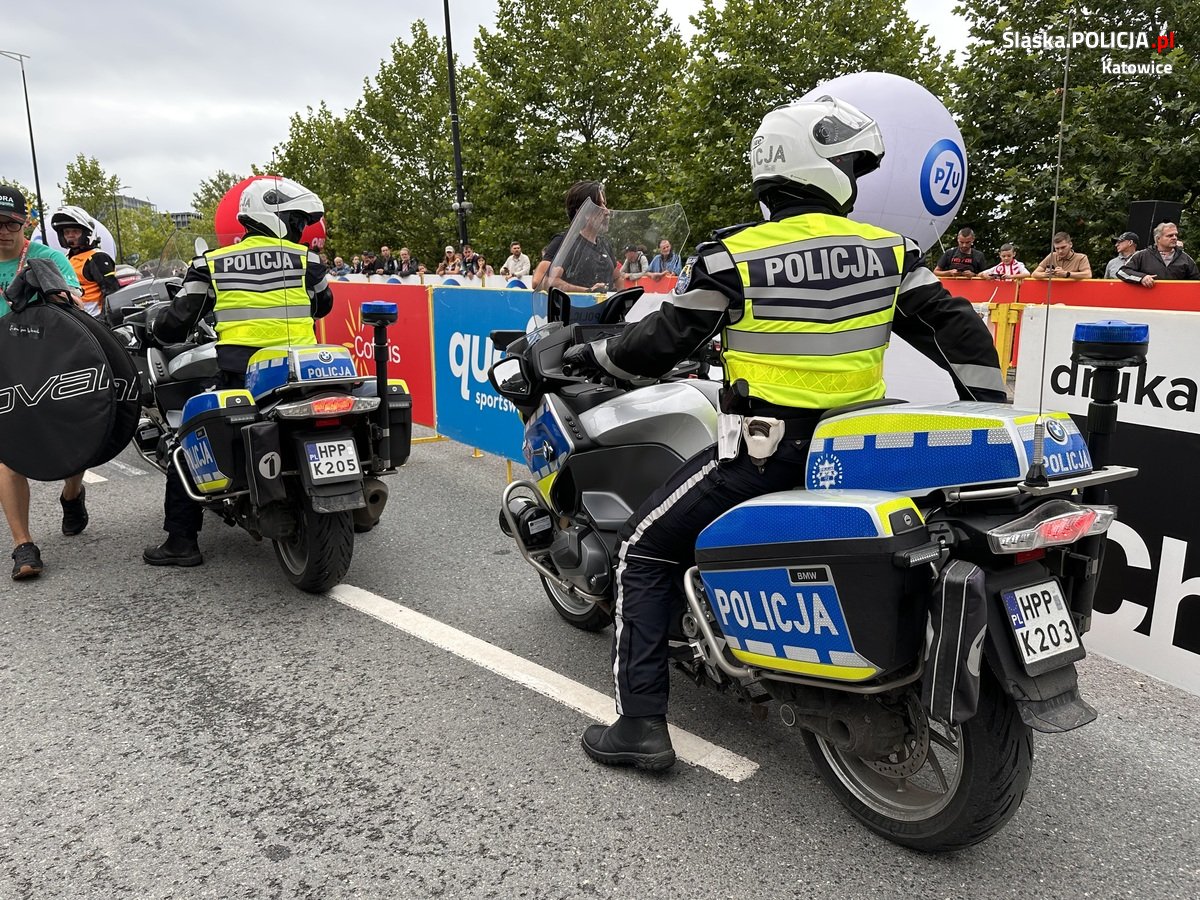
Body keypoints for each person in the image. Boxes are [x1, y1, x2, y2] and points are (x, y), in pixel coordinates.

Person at [563, 98, 1006, 771]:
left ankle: (640, 726)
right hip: (856, 454)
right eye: (851, 166)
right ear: (823, 169)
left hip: (766, 457)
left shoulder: (733, 254)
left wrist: (591, 356)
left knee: (643, 553)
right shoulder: (890, 251)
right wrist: (989, 414)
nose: (856, 180)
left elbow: (654, 347)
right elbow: (960, 330)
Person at [142, 177, 333, 566]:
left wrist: (156, 329)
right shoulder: (307, 261)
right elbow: (324, 305)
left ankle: (182, 541)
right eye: (295, 220)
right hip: (303, 371)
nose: (300, 229)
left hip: (241, 374)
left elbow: (178, 322)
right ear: (272, 216)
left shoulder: (211, 262)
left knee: (185, 439)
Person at [0, 186, 89, 579]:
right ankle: (23, 545)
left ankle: (73, 494)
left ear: (25, 224)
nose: (2, 231)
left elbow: (77, 301)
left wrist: (45, 286)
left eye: (10, 223)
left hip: (50, 361)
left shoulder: (45, 256)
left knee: (73, 442)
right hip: (5, 368)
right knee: (8, 453)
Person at [531, 181, 622, 293]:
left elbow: (617, 278)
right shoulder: (565, 242)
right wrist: (587, 291)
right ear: (583, 212)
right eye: (599, 205)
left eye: (605, 205)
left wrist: (624, 301)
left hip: (602, 309)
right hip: (574, 309)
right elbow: (539, 280)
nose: (607, 211)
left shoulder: (605, 244)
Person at [50, 206, 121, 319]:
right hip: (74, 318)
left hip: (94, 319)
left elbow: (111, 292)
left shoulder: (97, 257)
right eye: (66, 232)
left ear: (86, 233)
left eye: (75, 231)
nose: (70, 235)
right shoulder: (66, 258)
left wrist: (105, 321)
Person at [1117, 222, 1199, 286]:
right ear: (1158, 238)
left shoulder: (1185, 258)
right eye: (1170, 235)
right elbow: (1122, 272)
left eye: (1175, 235)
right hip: (1149, 303)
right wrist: (1142, 278)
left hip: (1176, 304)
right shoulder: (1142, 255)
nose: (1174, 238)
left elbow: (1196, 282)